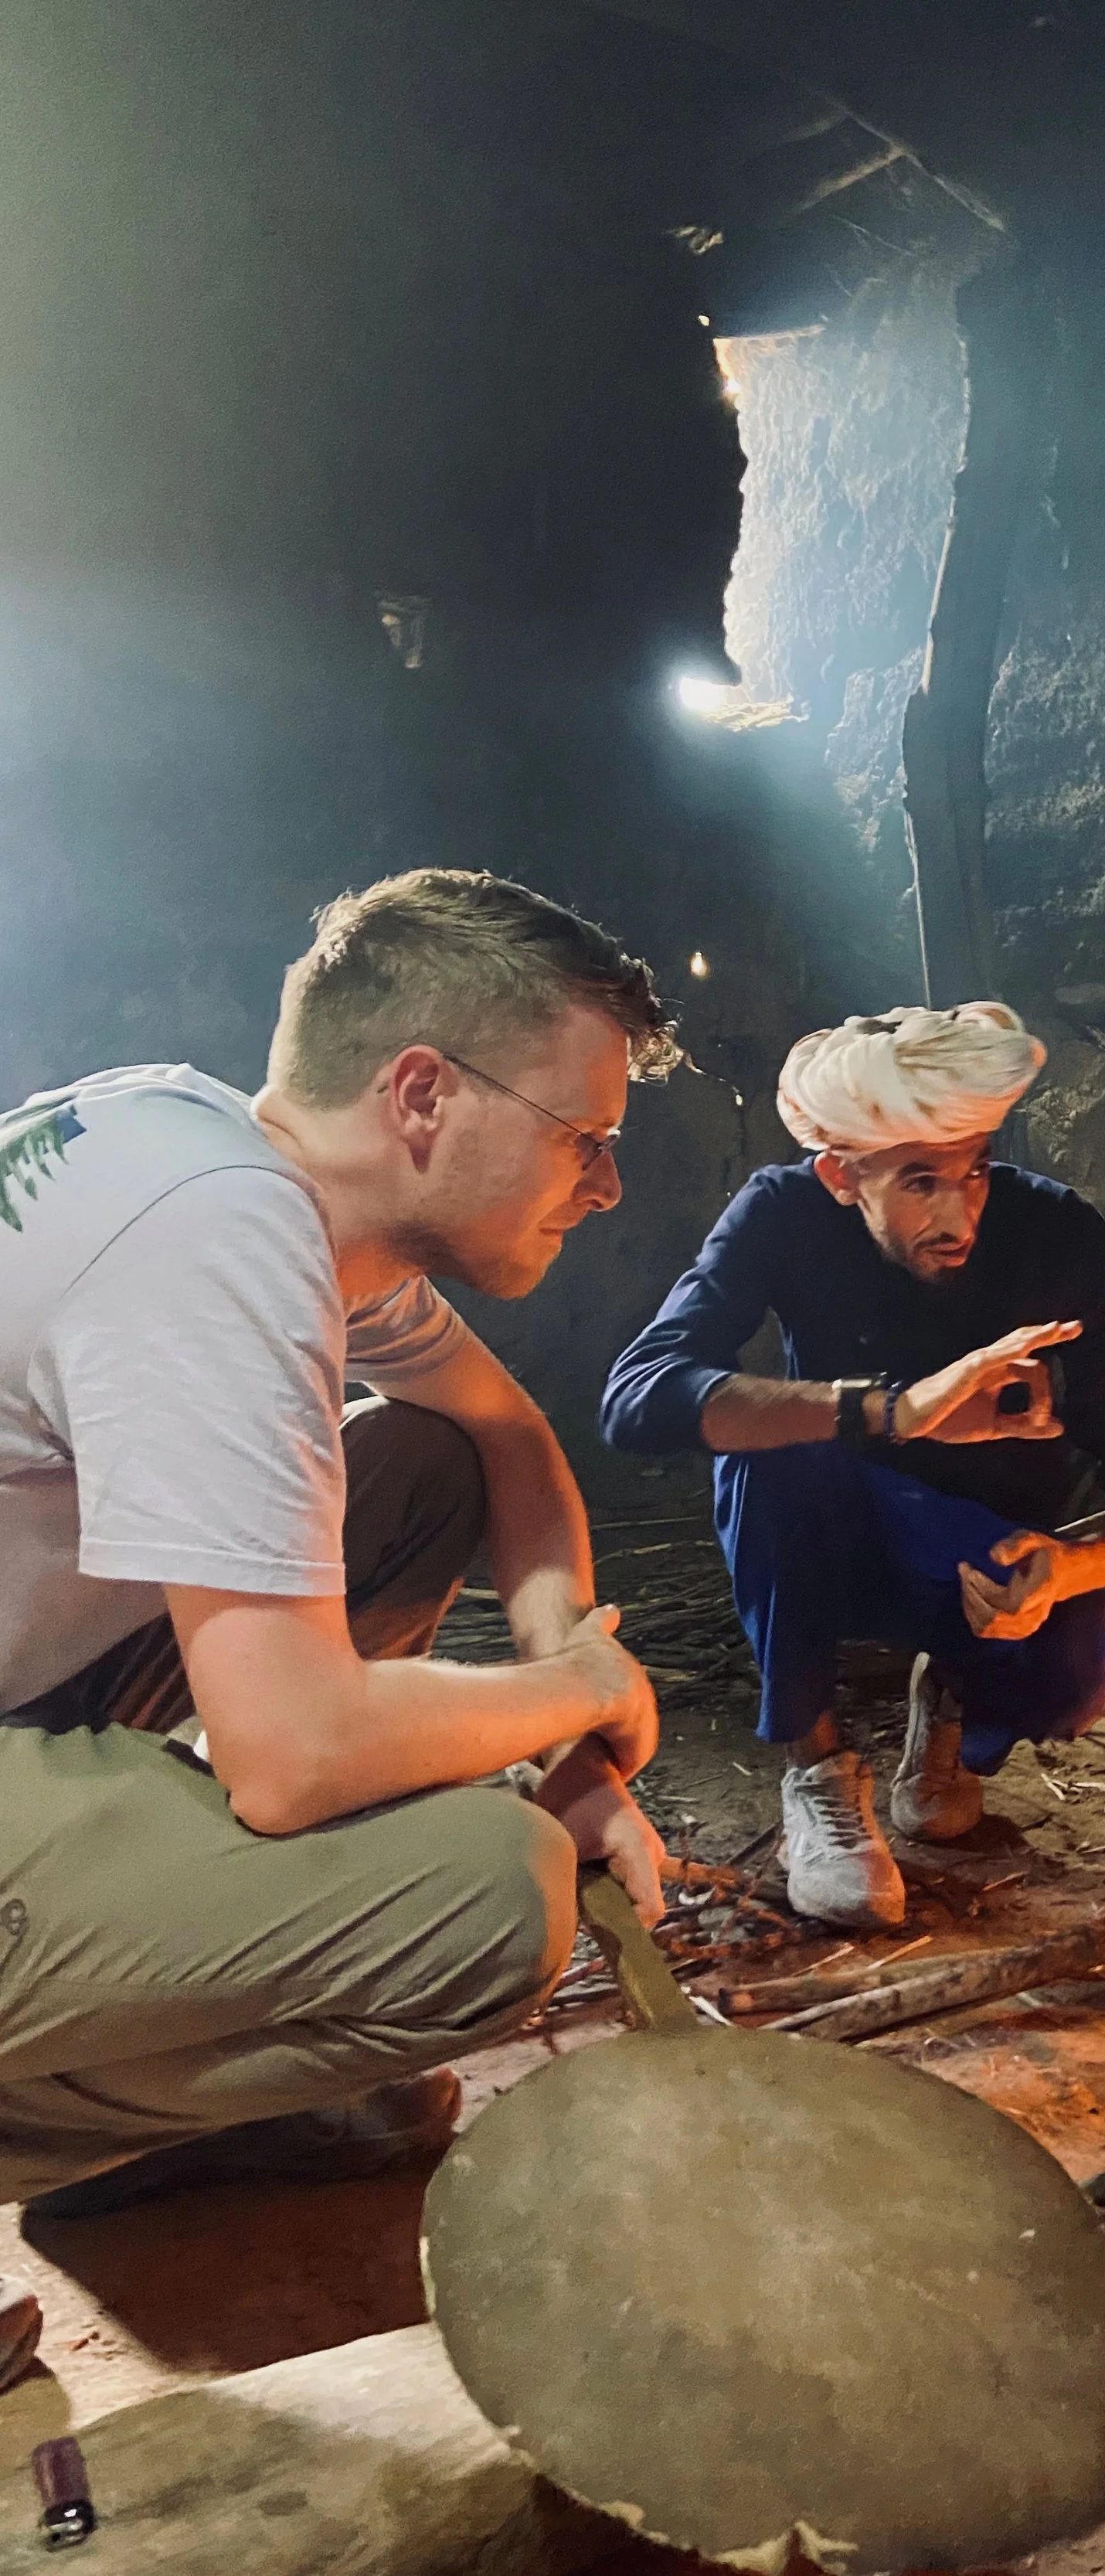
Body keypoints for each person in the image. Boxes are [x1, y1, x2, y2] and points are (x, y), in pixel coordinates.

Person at [0, 868, 672, 2291]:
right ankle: (99, 2067)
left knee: (418, 1462)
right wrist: (580, 1684)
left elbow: (506, 1437)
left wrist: (566, 1715)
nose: (606, 1185)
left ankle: (174, 2010)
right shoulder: (216, 1237)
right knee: (495, 1894)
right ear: (424, 1093)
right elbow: (296, 1759)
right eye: (585, 1136)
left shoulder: (238, 1165)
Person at [600, 1001, 1105, 1930]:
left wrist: (1068, 1567)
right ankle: (818, 1772)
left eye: (976, 1172)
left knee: (1082, 1672)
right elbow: (637, 1396)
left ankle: (950, 1705)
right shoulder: (784, 1213)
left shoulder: (1058, 1235)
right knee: (777, 1446)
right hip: (832, 1527)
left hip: (971, 1551)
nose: (959, 1216)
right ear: (841, 1175)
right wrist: (892, 1410)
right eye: (919, 1183)